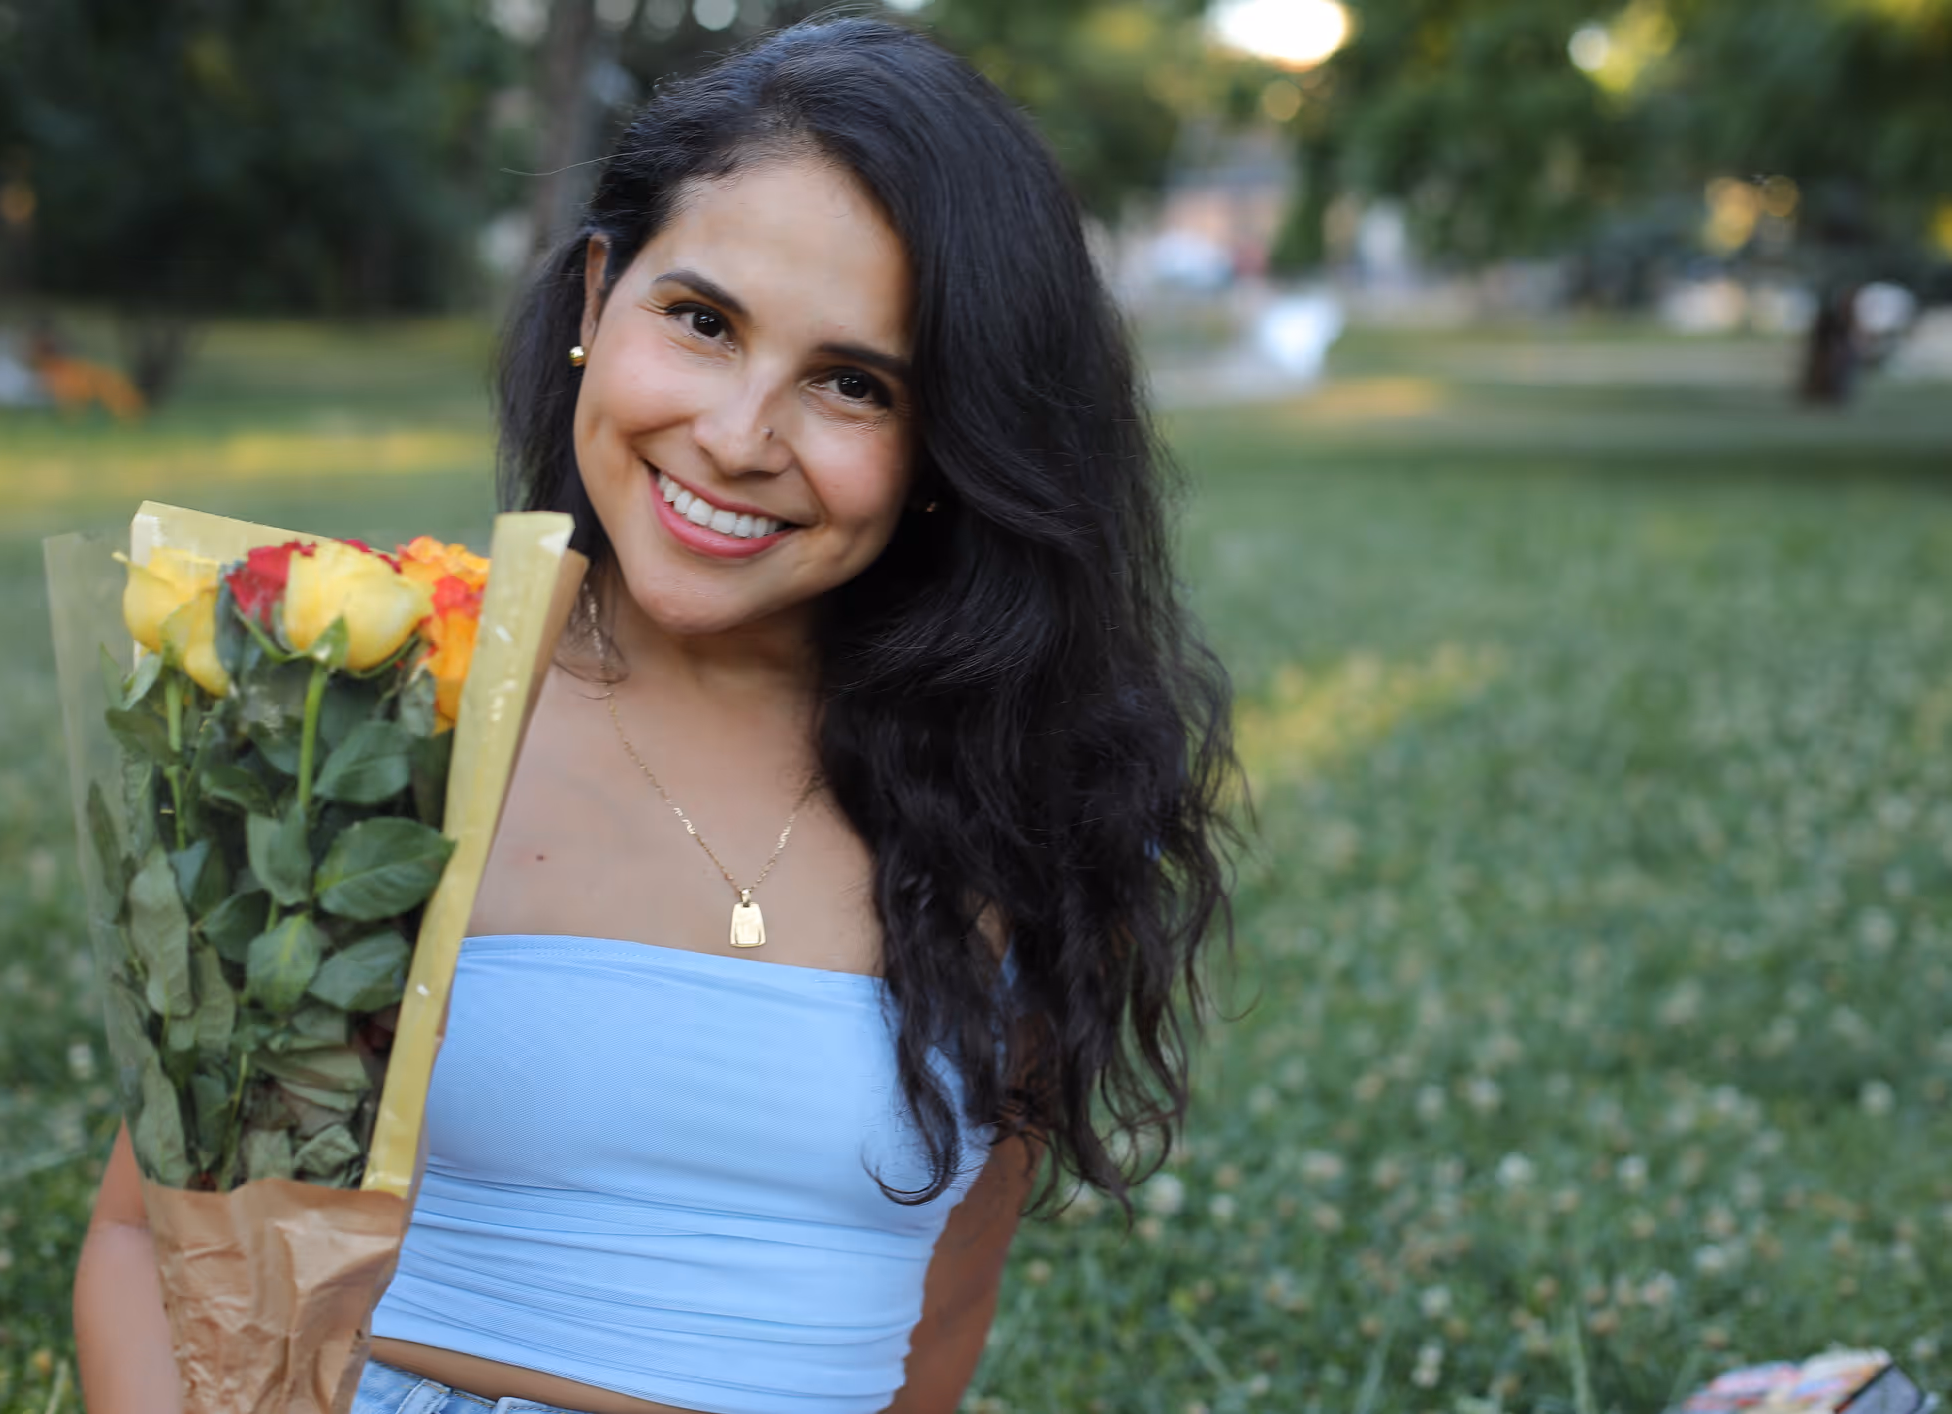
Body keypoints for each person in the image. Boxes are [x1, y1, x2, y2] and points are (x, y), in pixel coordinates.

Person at [73, 16, 1238, 1414]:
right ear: (596, 295)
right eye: (702, 321)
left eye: (853, 384)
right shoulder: (370, 693)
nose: (739, 437)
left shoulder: (1019, 785)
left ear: (951, 440)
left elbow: (946, 1308)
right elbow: (148, 1237)